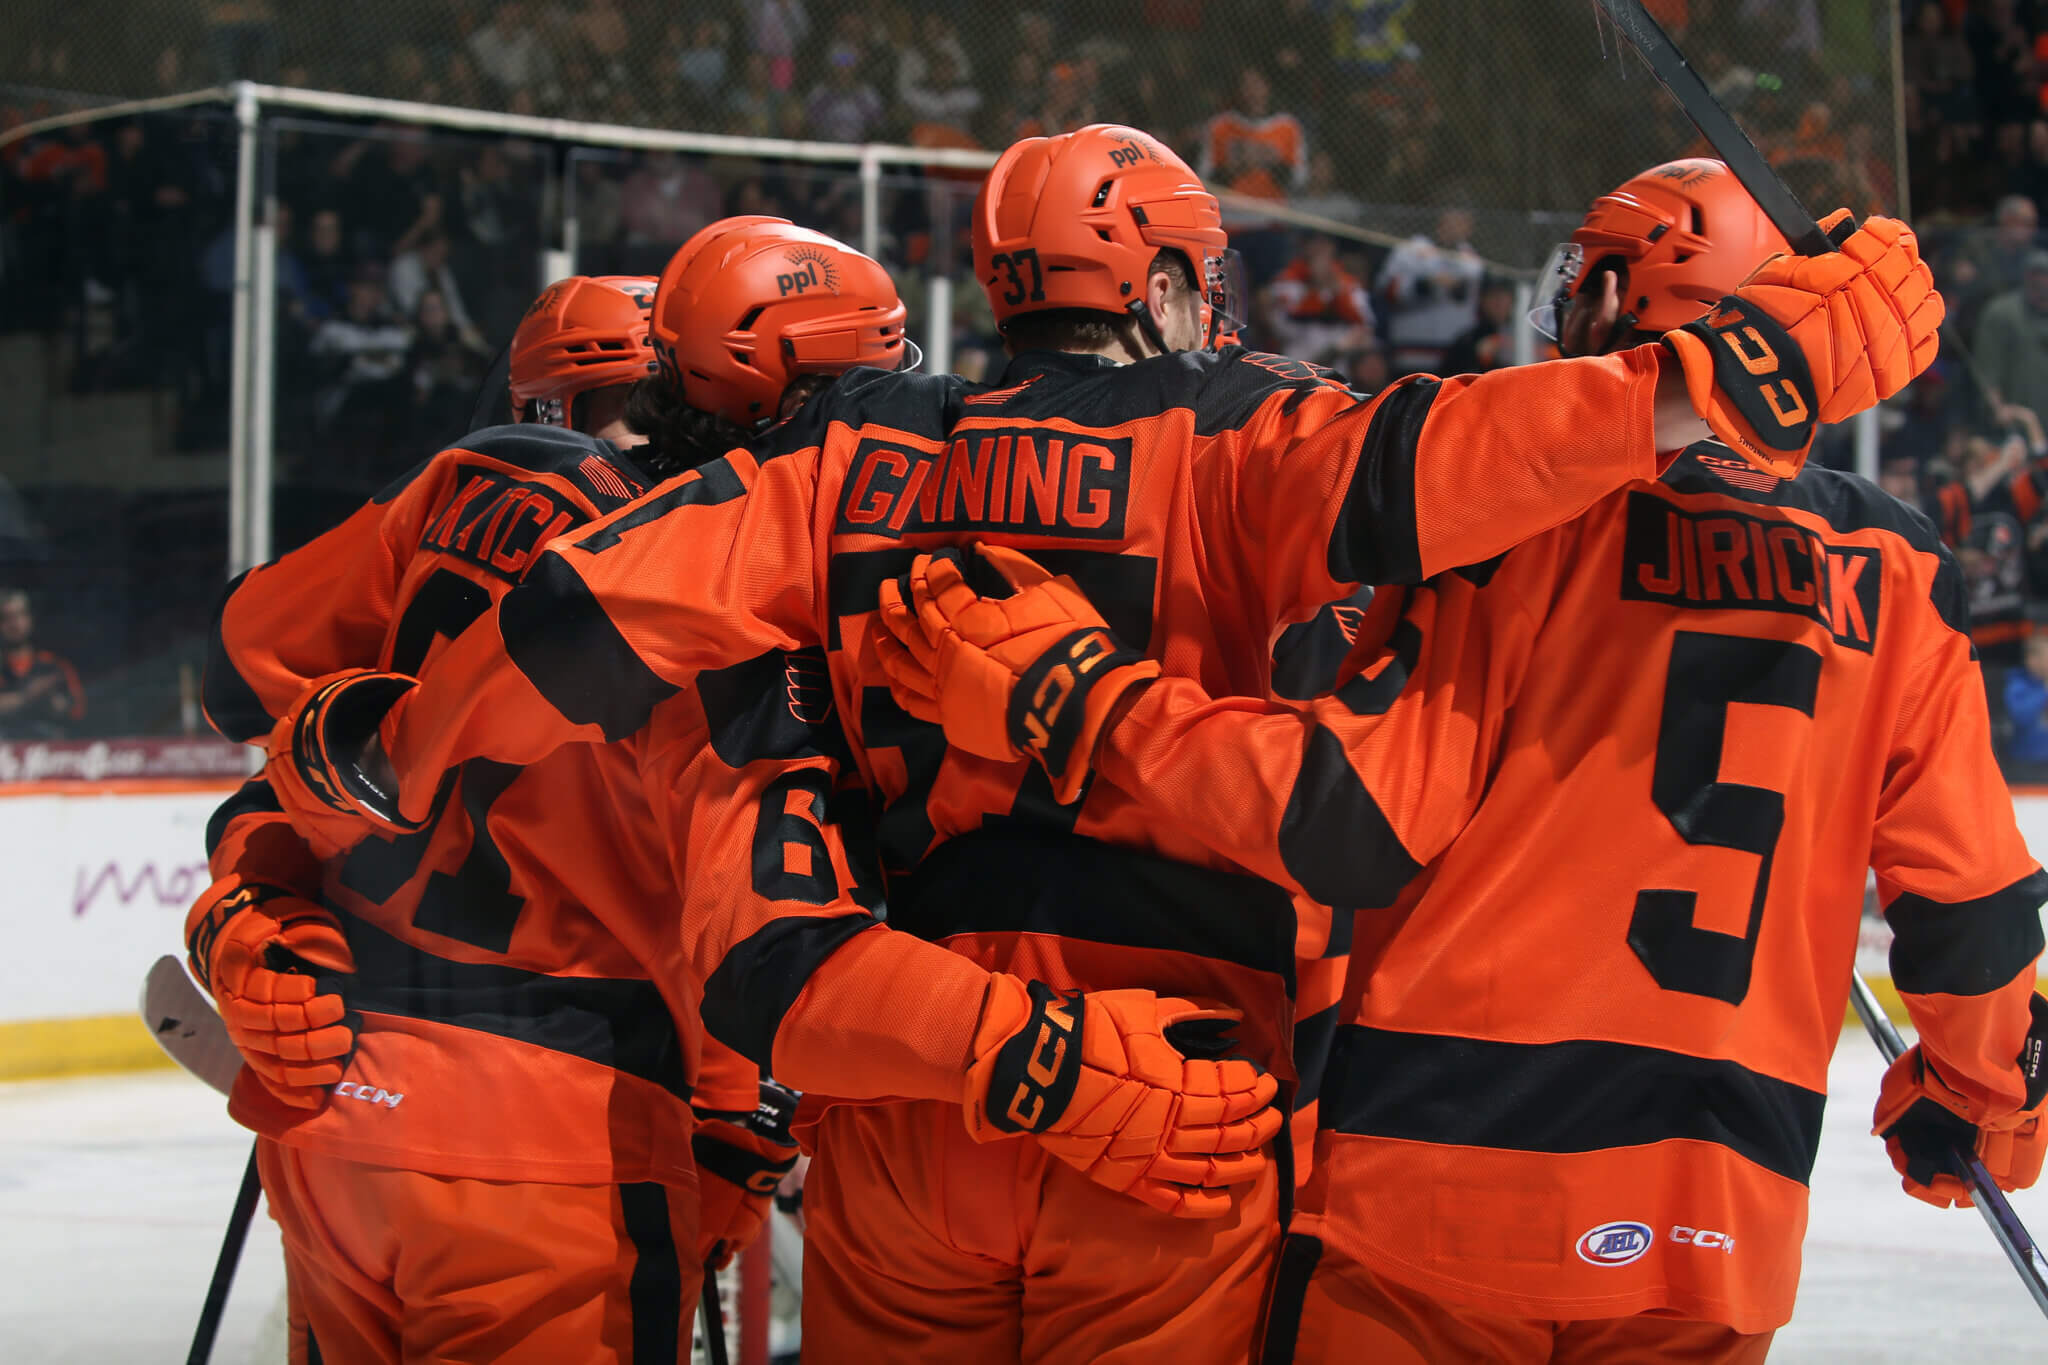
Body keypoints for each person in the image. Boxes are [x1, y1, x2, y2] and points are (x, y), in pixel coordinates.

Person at [269, 125, 1927, 1362]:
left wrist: (405, 748)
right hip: (1178, 1105)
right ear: (1171, 280)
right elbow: (1466, 455)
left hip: (903, 1102)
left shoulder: (851, 460)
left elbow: (580, 614)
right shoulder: (1252, 437)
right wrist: (1724, 376)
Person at [874, 159, 2024, 1365]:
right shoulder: (1896, 563)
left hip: (1443, 1171)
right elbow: (1975, 908)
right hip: (1719, 1206)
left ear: (1622, 296)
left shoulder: (1524, 504)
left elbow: (1351, 817)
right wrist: (1988, 1087)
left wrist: (1086, 698)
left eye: (1585, 285)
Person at [192, 271, 801, 1362]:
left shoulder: (462, 482)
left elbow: (238, 677)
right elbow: (737, 901)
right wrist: (737, 1132)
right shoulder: (719, 560)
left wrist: (244, 906)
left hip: (340, 1116)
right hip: (562, 1135)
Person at [0, 588, 84, 740]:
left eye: (20, 615)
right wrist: (27, 697)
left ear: (30, 618)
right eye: (6, 618)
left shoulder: (54, 665)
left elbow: (77, 710)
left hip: (48, 747)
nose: (14, 624)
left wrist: (53, 701)